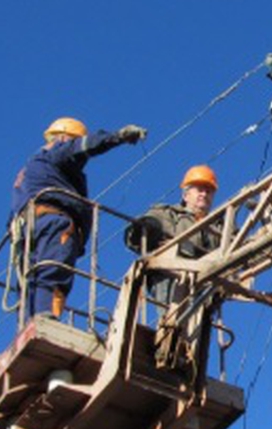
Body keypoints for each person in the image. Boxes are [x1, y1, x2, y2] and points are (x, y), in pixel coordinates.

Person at [12, 116, 146, 320]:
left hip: (26, 230)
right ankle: (45, 318)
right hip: (54, 221)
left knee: (31, 277)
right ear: (64, 137)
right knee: (54, 267)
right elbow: (83, 146)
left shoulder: (34, 167)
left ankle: (29, 321)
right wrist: (117, 137)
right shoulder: (57, 152)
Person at [125, 165, 221, 304]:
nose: (204, 194)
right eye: (199, 190)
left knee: (200, 321)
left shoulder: (219, 226)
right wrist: (146, 228)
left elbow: (240, 248)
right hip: (171, 276)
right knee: (173, 317)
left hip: (204, 283)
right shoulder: (167, 214)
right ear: (186, 195)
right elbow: (134, 236)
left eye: (209, 191)